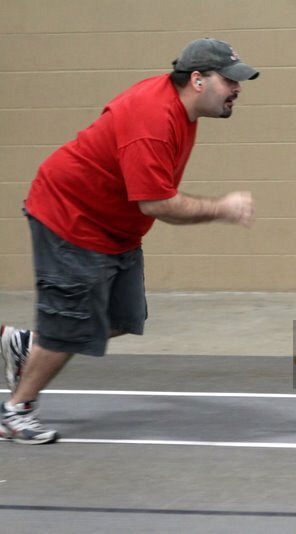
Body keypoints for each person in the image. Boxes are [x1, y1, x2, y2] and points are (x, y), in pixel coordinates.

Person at [0, 38, 260, 444]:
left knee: (122, 320)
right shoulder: (153, 121)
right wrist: (221, 208)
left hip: (114, 226)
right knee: (71, 326)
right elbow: (157, 203)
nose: (237, 89)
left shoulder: (181, 110)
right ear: (197, 80)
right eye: (230, 81)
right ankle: (16, 409)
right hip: (72, 217)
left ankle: (28, 346)